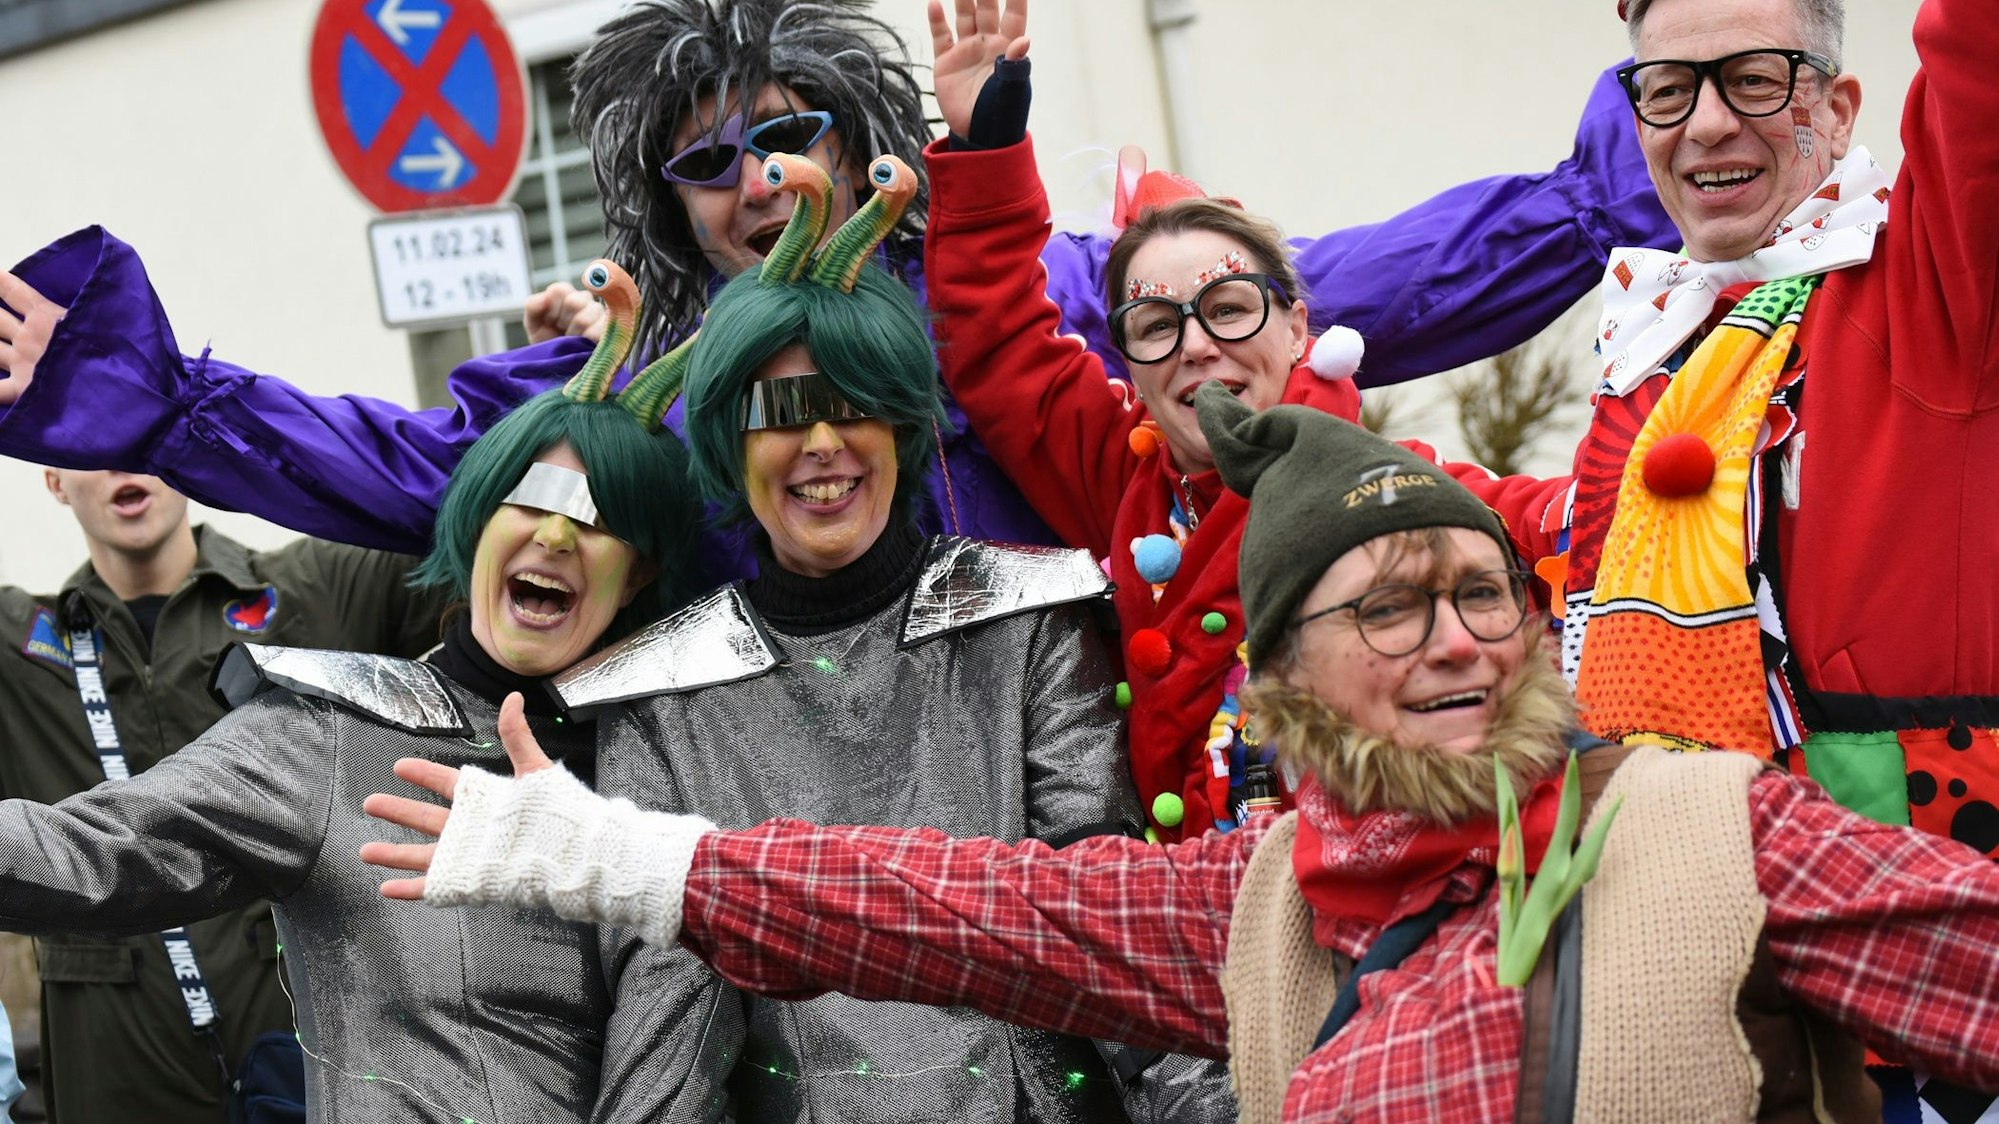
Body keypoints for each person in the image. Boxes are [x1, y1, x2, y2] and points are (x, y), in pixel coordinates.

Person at [364, 387, 1999, 1123]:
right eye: (1387, 606)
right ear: (1278, 681)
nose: (1455, 639)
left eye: (1480, 591)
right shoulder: (1257, 903)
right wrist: (627, 858)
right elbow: (958, 907)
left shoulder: (1719, 828)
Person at [0, 0, 1678, 558]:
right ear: (664, 203)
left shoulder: (1024, 299)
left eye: (786, 132)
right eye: (706, 160)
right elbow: (425, 473)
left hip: (1104, 809)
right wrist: (151, 401)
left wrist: (1639, 161)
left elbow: (1328, 288)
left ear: (858, 134)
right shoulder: (634, 380)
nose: (758, 180)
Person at [523, 154, 1228, 1123]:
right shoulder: (663, 696)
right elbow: (669, 1018)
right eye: (782, 414)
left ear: (901, 425)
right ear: (731, 441)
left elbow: (1107, 921)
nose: (821, 443)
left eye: (854, 402)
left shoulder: (1024, 616)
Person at [0, 294, 720, 1122]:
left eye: (598, 517)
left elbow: (686, 1054)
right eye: (527, 501)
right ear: (472, 526)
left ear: (635, 574)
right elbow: (89, 851)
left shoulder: (681, 759)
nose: (555, 538)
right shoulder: (331, 737)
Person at [919, 0, 1547, 841]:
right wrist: (986, 151)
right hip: (1185, 932)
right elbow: (998, 342)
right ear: (1128, 365)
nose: (1198, 347)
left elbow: (1570, 523)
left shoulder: (1399, 491)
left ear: (1296, 328)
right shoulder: (1123, 482)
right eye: (1156, 326)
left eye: (1228, 308)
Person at [0, 465, 446, 1123]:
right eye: (90, 441)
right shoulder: (19, 645)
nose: (122, 458)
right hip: (116, 1069)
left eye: (140, 430)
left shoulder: (314, 589)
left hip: (312, 1036)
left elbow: (463, 514)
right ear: (55, 480)